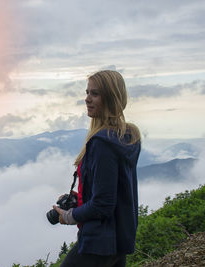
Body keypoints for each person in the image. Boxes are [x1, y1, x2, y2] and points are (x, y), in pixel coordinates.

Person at [53, 70, 141, 267]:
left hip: (99, 242)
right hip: (119, 240)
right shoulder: (126, 137)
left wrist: (69, 216)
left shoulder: (102, 143)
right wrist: (78, 199)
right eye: (87, 93)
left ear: (111, 98)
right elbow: (112, 191)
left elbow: (103, 204)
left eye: (95, 94)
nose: (87, 99)